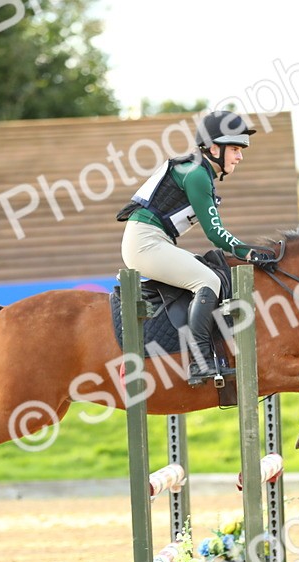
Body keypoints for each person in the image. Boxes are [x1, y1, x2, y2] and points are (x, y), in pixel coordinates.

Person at [117, 110, 275, 386]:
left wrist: (243, 250)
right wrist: (248, 252)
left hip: (154, 240)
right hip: (145, 242)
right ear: (214, 148)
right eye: (235, 149)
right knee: (208, 279)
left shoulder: (199, 171)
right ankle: (200, 361)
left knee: (213, 269)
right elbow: (214, 232)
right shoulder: (197, 175)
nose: (240, 156)